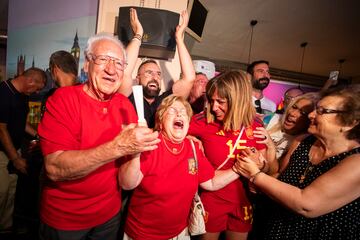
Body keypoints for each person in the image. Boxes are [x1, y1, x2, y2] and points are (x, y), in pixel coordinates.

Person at [37, 21, 160, 240]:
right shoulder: (63, 100)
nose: (112, 70)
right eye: (103, 60)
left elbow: (127, 182)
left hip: (109, 217)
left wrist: (136, 151)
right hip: (65, 221)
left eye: (120, 64)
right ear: (87, 65)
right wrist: (118, 146)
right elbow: (54, 168)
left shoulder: (125, 106)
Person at [234, 86, 360, 239]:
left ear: (350, 123)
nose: (311, 115)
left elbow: (306, 204)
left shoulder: (356, 162)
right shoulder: (302, 141)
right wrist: (260, 180)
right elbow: (280, 176)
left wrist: (256, 175)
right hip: (277, 227)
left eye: (321, 111)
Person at [119, 95, 241, 239]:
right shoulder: (150, 144)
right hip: (143, 235)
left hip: (180, 234)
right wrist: (136, 153)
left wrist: (239, 169)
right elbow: (127, 184)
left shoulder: (193, 147)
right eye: (172, 111)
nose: (179, 113)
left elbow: (211, 182)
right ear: (160, 121)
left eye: (183, 112)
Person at [188, 71, 270, 240]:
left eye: (221, 101)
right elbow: (169, 134)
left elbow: (266, 165)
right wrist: (189, 140)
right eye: (211, 100)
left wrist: (260, 165)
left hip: (243, 200)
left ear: (238, 100)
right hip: (212, 198)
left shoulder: (255, 125)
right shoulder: (204, 121)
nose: (214, 107)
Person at [125, 10, 196, 128]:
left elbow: (189, 78)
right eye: (149, 73)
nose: (155, 77)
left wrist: (179, 38)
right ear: (137, 79)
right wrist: (138, 34)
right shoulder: (128, 97)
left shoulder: (165, 101)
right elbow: (124, 72)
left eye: (158, 74)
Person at [0, 68, 46, 234]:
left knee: (10, 192)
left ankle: (5, 228)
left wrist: (41, 136)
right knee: (2, 191)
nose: (38, 92)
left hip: (14, 149)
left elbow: (22, 124)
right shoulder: (4, 92)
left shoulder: (23, 96)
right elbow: (1, 129)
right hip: (3, 153)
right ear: (30, 81)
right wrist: (15, 158)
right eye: (38, 88)